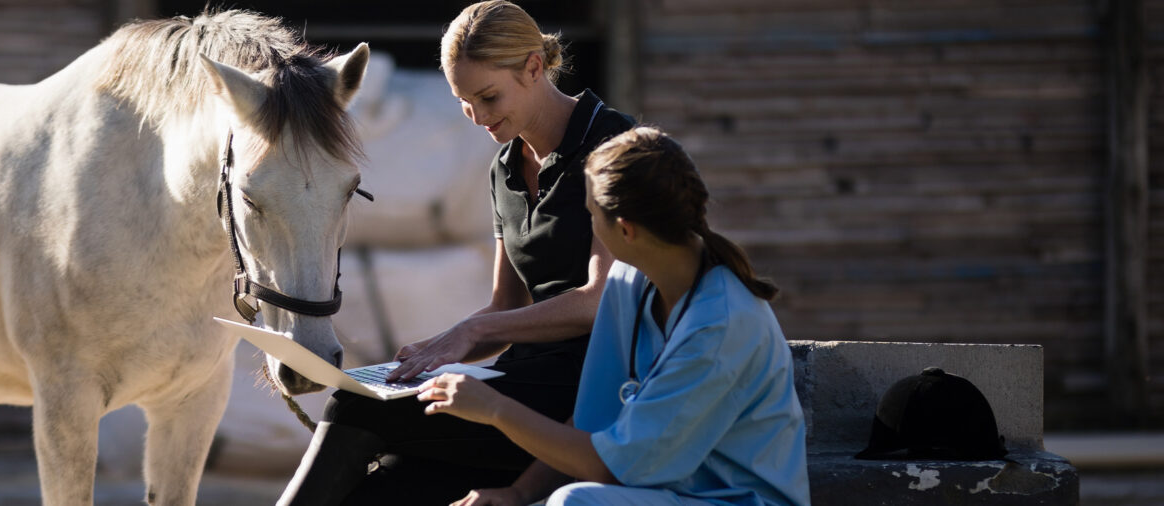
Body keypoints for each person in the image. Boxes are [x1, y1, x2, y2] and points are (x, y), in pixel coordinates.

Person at [275, 2, 633, 504]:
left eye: (488, 97)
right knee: (385, 481)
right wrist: (433, 351)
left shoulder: (614, 143)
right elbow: (505, 306)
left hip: (595, 387)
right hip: (520, 379)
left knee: (355, 411)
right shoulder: (502, 167)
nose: (478, 117)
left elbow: (601, 299)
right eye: (464, 102)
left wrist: (471, 331)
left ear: (534, 67)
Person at [418, 127, 811, 506]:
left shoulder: (721, 324)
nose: (591, 225)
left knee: (576, 501)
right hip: (661, 495)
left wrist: (494, 409)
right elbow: (592, 421)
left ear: (625, 229)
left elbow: (610, 467)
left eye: (591, 214)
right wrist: (518, 494)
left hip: (736, 501)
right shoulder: (628, 282)